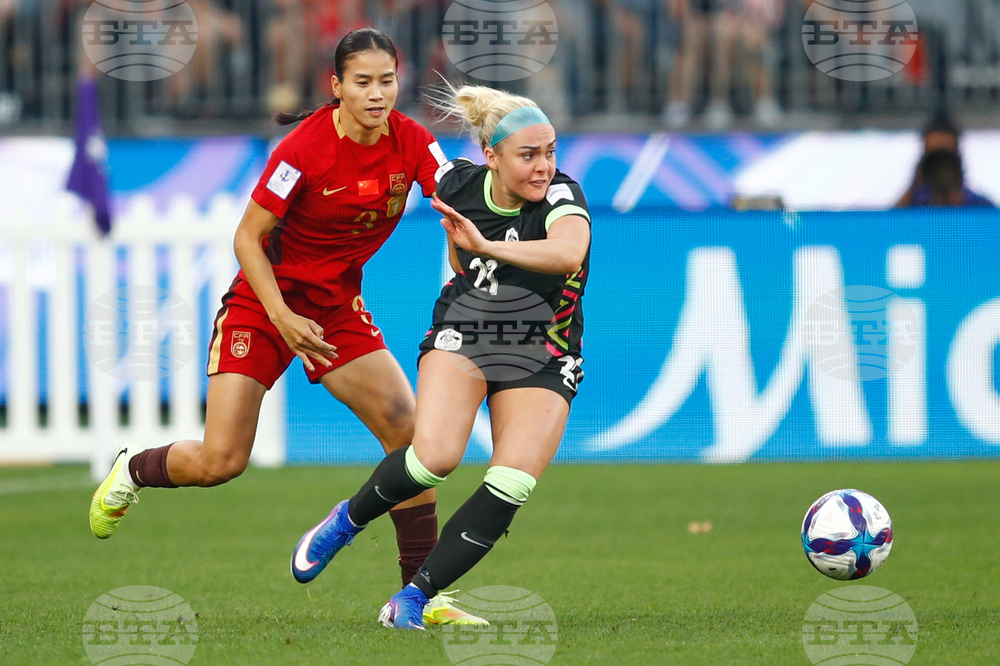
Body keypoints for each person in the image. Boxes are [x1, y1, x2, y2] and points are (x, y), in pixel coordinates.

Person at [88, 28, 484, 627]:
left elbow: (454, 200)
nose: (377, 94)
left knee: (412, 436)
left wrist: (474, 237)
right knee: (221, 461)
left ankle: (418, 597)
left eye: (387, 81)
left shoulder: (413, 142)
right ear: (336, 86)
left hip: (334, 308)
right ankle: (132, 470)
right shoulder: (304, 150)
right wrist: (281, 317)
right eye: (362, 82)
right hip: (262, 304)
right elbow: (247, 237)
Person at [290, 82, 592, 630]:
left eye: (549, 152)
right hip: (468, 331)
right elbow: (390, 151)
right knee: (435, 458)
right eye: (528, 155)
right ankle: (346, 521)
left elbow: (569, 251)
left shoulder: (562, 198)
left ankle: (413, 597)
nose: (544, 167)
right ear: (491, 157)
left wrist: (486, 246)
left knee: (514, 481)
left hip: (544, 349)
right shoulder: (457, 182)